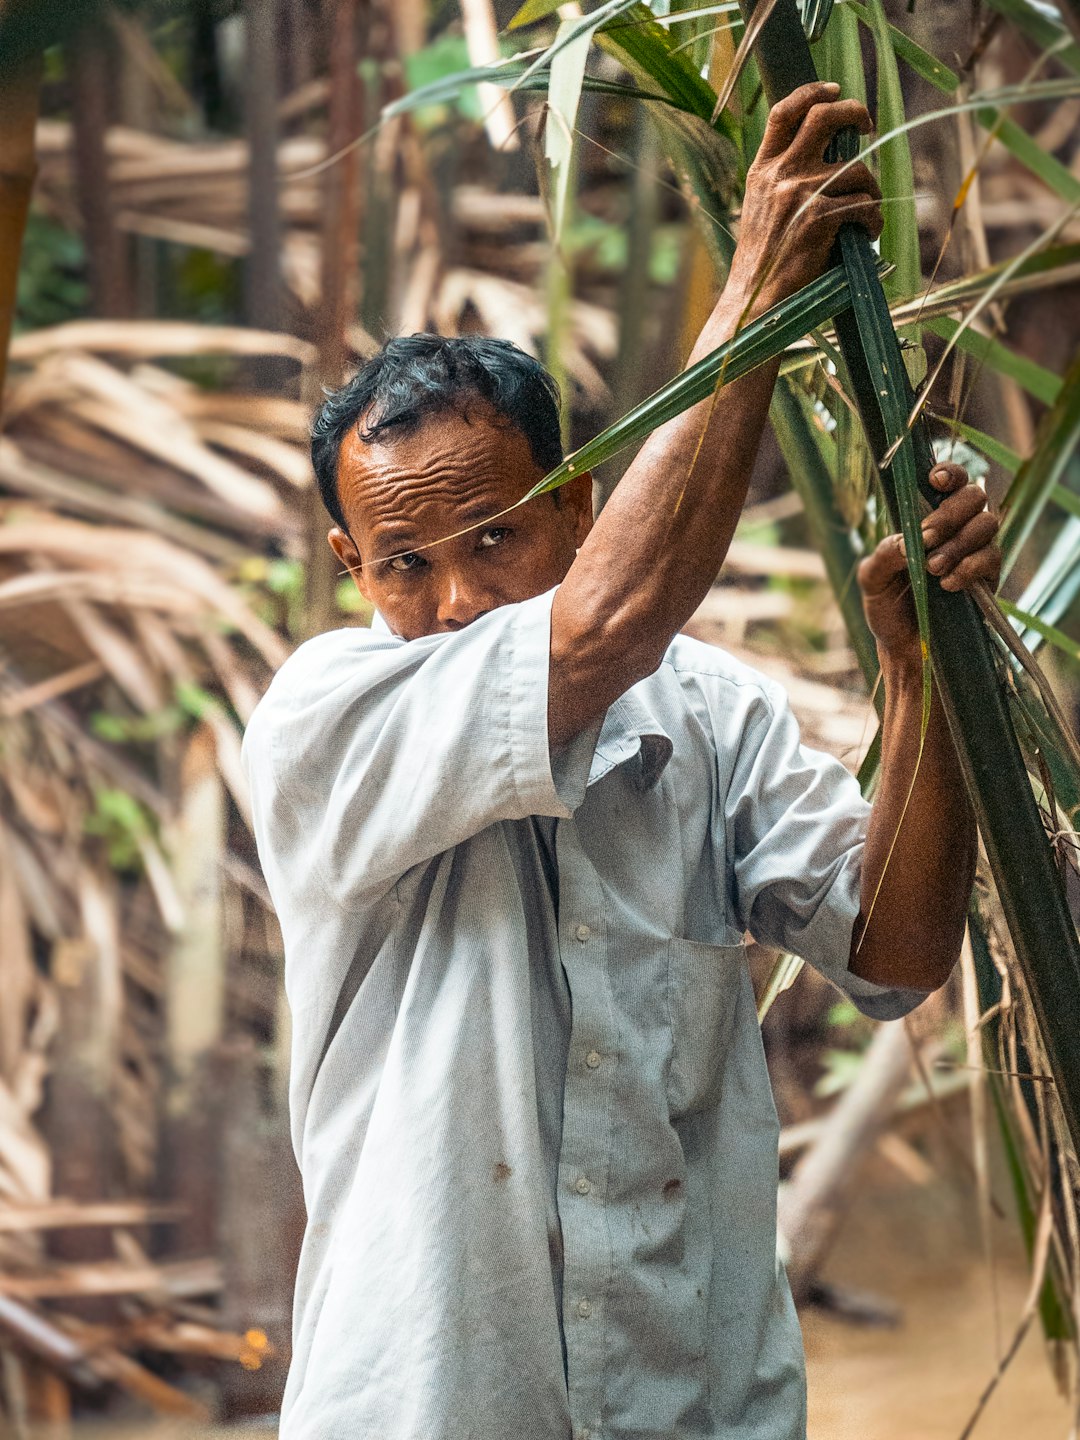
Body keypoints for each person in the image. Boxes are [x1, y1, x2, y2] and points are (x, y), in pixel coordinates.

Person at [242, 82, 1001, 1440]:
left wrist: (919, 671)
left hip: (697, 1407)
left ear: (577, 503)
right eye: (405, 566)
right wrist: (758, 290)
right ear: (351, 568)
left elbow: (895, 951)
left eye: (497, 538)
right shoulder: (324, 717)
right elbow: (606, 625)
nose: (459, 601)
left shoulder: (711, 715)